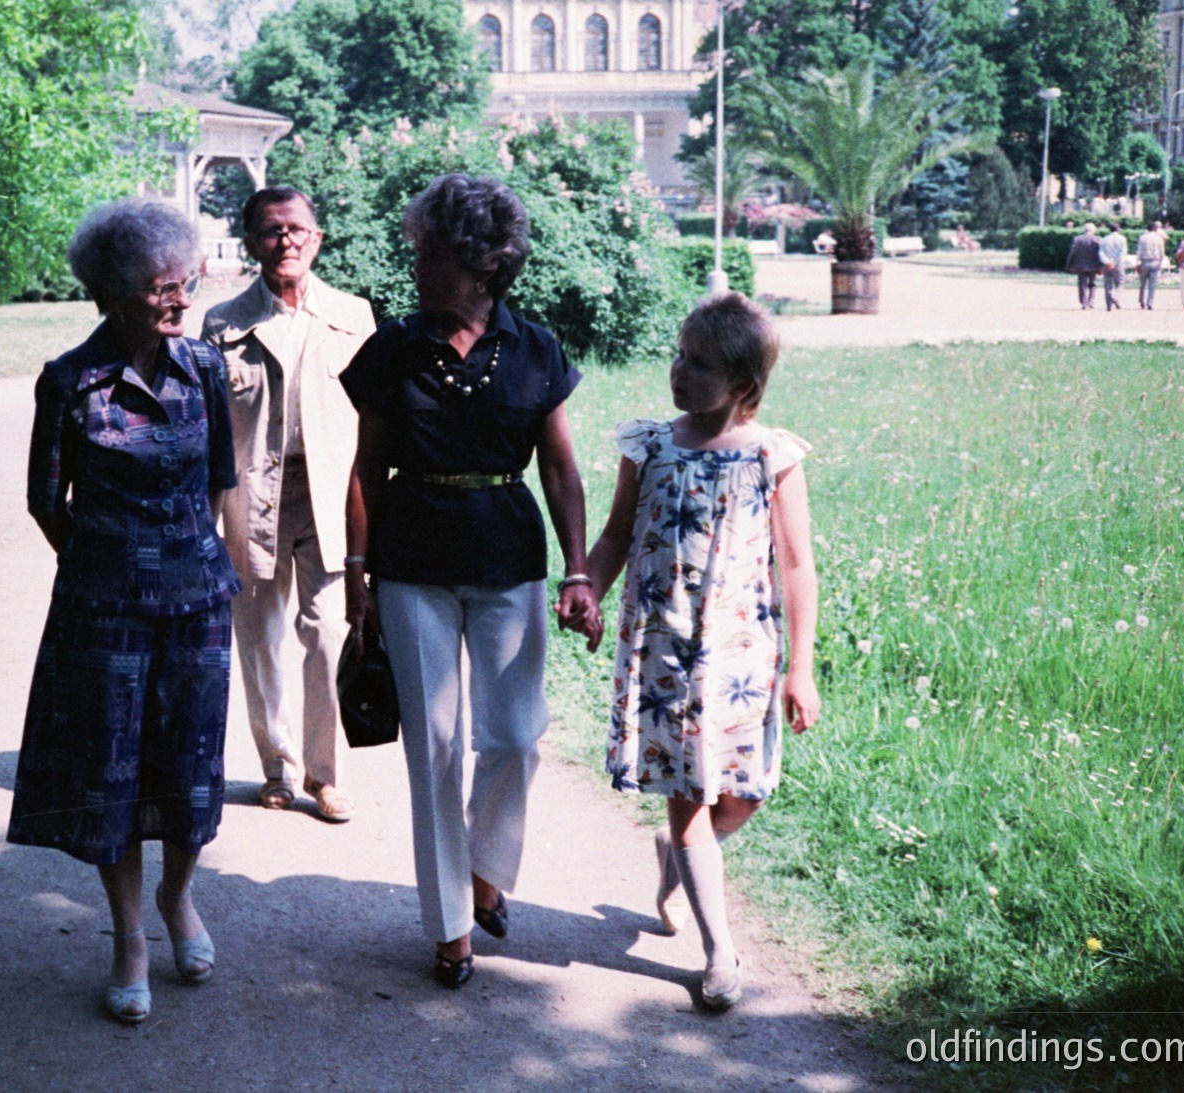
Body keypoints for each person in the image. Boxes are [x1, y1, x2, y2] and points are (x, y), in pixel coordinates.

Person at [342, 173, 598, 989]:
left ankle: (488, 866)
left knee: (515, 735)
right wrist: (358, 568)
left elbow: (560, 471)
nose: (415, 264)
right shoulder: (390, 349)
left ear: (483, 265)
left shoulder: (534, 348)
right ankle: (451, 924)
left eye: (432, 253)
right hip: (411, 563)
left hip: (506, 558)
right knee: (436, 747)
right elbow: (364, 469)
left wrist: (580, 567)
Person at [8, 199, 240, 1025]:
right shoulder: (69, 381)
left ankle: (180, 901)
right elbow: (46, 502)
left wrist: (190, 560)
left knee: (189, 766)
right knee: (111, 777)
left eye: (186, 282)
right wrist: (107, 564)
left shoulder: (205, 367)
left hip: (198, 604)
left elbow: (221, 477)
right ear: (111, 293)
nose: (180, 299)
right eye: (161, 288)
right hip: (103, 609)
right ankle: (129, 938)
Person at [569, 293, 819, 1011]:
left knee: (740, 797)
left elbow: (797, 564)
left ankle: (678, 854)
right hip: (664, 652)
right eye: (676, 355)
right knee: (688, 797)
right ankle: (719, 953)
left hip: (743, 657)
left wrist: (799, 666)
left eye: (699, 364)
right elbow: (617, 535)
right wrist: (585, 583)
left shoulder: (771, 456)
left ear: (743, 385)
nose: (678, 371)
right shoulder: (648, 445)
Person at [203, 187, 376, 822]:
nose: (286, 242)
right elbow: (212, 430)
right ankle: (276, 767)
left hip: (330, 498)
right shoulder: (222, 323)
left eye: (297, 230)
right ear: (251, 243)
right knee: (259, 636)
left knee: (329, 633)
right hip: (252, 497)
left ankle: (325, 776)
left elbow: (372, 423)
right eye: (271, 232)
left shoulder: (354, 315)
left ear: (317, 238)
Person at [1064, 223, 1104, 310]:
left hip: (1080, 265)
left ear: (1084, 230)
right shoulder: (1098, 239)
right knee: (1092, 284)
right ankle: (1091, 301)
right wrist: (1101, 266)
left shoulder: (1077, 239)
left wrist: (1069, 264)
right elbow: (1101, 254)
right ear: (1094, 230)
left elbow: (1072, 253)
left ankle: (1084, 303)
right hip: (1094, 266)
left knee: (1082, 284)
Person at [1135, 222, 1168, 310]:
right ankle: (1150, 302)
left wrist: (1137, 263)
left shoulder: (1142, 238)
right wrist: (1160, 262)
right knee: (1152, 285)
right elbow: (1162, 252)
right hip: (1155, 262)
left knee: (1142, 283)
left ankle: (1141, 300)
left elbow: (1139, 251)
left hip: (1144, 262)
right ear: (1156, 229)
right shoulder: (1159, 239)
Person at [1098, 224, 1127, 310]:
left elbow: (1101, 253)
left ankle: (1109, 305)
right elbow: (1122, 252)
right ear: (1118, 229)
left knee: (1107, 284)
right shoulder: (1122, 238)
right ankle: (1116, 298)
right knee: (1120, 282)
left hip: (1107, 264)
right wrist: (1115, 262)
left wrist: (1107, 262)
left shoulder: (1104, 239)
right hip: (1118, 264)